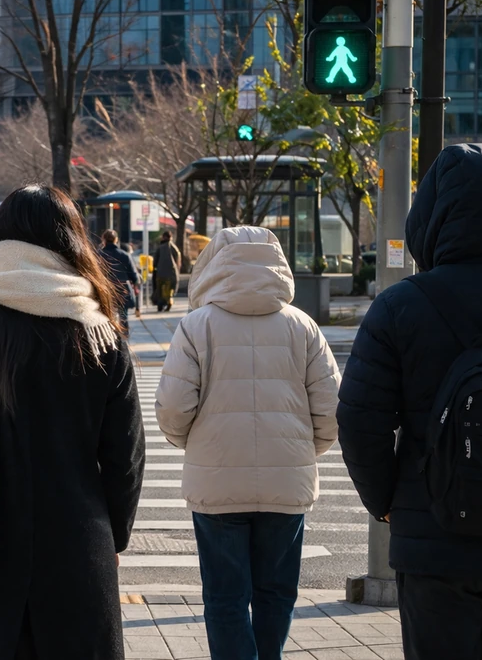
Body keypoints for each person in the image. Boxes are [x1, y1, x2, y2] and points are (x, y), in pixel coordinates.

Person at [339, 144, 482, 660]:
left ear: (432, 215)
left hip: (432, 537)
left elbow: (359, 421)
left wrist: (387, 503)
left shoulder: (400, 307)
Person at [0, 184, 145, 659]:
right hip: (76, 549)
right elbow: (125, 458)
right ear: (72, 244)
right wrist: (112, 535)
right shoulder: (100, 334)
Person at [156, 226, 340, 660]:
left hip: (217, 482)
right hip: (287, 482)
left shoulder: (197, 326)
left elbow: (173, 408)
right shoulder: (304, 326)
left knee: (224, 597)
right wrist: (303, 452)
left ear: (215, 267)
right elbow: (332, 407)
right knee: (276, 592)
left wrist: (196, 444)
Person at [98, 230, 140, 335]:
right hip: (122, 290)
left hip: (104, 290)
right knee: (123, 316)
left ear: (103, 240)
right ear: (116, 240)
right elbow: (134, 276)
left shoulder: (98, 255)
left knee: (105, 315)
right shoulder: (125, 255)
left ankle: (108, 336)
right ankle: (123, 339)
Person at [152, 232, 182, 312]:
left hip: (160, 273)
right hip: (171, 274)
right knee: (169, 290)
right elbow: (178, 261)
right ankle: (169, 301)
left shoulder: (160, 247)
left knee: (160, 290)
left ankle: (160, 304)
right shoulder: (174, 248)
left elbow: (155, 261)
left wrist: (155, 269)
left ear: (164, 237)